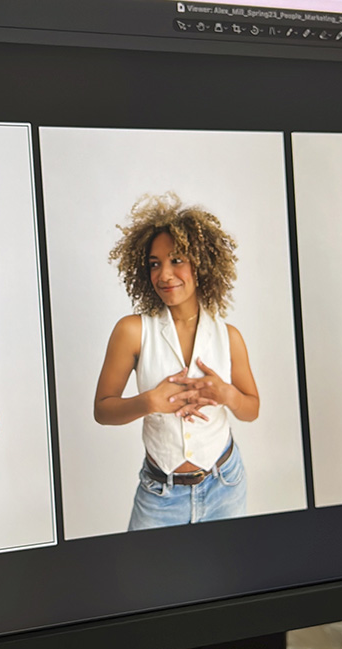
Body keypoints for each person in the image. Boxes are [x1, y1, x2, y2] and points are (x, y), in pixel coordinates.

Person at [94, 193, 259, 530]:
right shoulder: (132, 331)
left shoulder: (230, 337)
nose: (164, 274)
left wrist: (227, 395)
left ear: (202, 264)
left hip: (225, 484)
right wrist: (149, 402)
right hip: (160, 494)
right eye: (155, 263)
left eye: (177, 260)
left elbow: (251, 409)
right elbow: (102, 410)